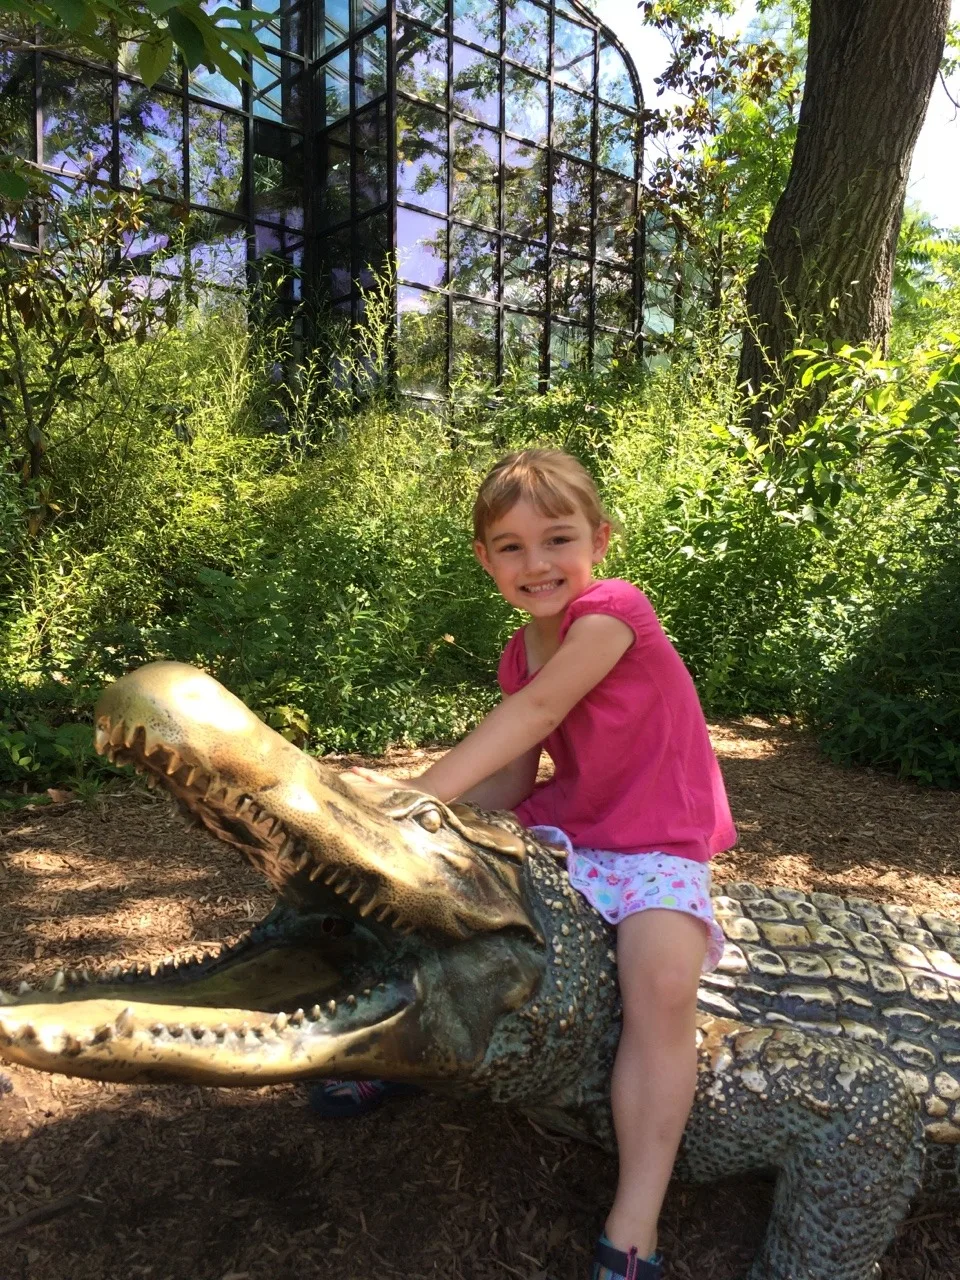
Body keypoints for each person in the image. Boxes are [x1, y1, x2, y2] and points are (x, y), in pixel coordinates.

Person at [314, 449, 736, 1280]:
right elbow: (514, 773)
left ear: (600, 540)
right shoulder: (520, 650)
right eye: (509, 546)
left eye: (557, 539)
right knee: (430, 896)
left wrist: (415, 794)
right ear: (484, 558)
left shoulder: (614, 611)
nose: (536, 563)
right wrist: (433, 830)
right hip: (575, 828)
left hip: (656, 843)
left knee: (661, 990)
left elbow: (541, 709)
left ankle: (636, 1219)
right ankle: (391, 1052)